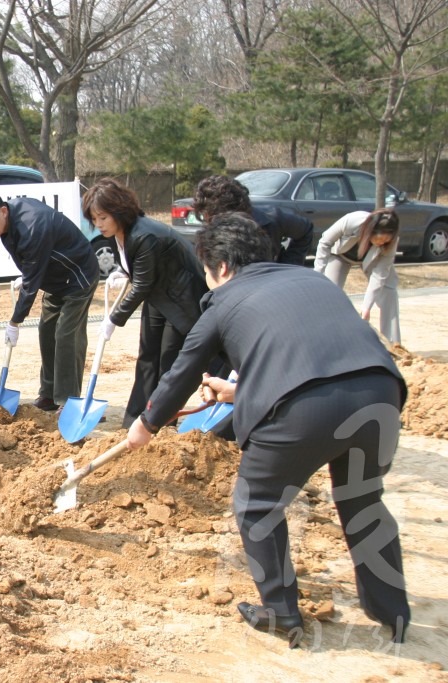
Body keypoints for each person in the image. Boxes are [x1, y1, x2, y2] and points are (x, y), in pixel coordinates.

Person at [128, 213, 409, 647]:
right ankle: (393, 610)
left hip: (302, 411)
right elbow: (314, 357)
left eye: (206, 271)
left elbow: (183, 371)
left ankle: (280, 611)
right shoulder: (311, 280)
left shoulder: (223, 301)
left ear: (220, 267)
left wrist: (146, 424)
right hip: (378, 393)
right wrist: (238, 392)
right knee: (362, 499)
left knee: (257, 504)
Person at [81, 178, 207, 427]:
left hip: (182, 300)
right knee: (147, 355)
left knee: (167, 360)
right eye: (94, 219)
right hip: (159, 296)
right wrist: (122, 271)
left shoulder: (144, 234)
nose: (98, 225)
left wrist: (113, 319)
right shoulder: (122, 233)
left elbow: (142, 284)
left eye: (103, 217)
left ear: (118, 211)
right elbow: (140, 271)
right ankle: (135, 418)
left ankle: (161, 418)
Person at [0, 188, 99, 411]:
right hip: (54, 279)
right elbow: (31, 266)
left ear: (2, 211)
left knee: (66, 334)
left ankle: (68, 401)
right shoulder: (7, 223)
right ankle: (48, 394)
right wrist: (27, 273)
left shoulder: (33, 226)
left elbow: (32, 281)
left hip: (78, 276)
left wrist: (15, 321)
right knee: (46, 331)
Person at [314, 208, 401, 343]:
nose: (381, 243)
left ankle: (392, 344)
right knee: (329, 293)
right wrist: (318, 274)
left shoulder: (391, 241)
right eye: (379, 239)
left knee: (389, 291)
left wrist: (366, 307)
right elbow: (325, 242)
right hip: (340, 255)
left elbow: (380, 274)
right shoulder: (352, 220)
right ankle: (327, 339)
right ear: (370, 230)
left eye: (385, 242)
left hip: (371, 260)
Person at [192, 174, 314, 265]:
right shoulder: (210, 235)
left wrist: (287, 266)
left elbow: (306, 230)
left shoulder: (271, 218)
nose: (211, 223)